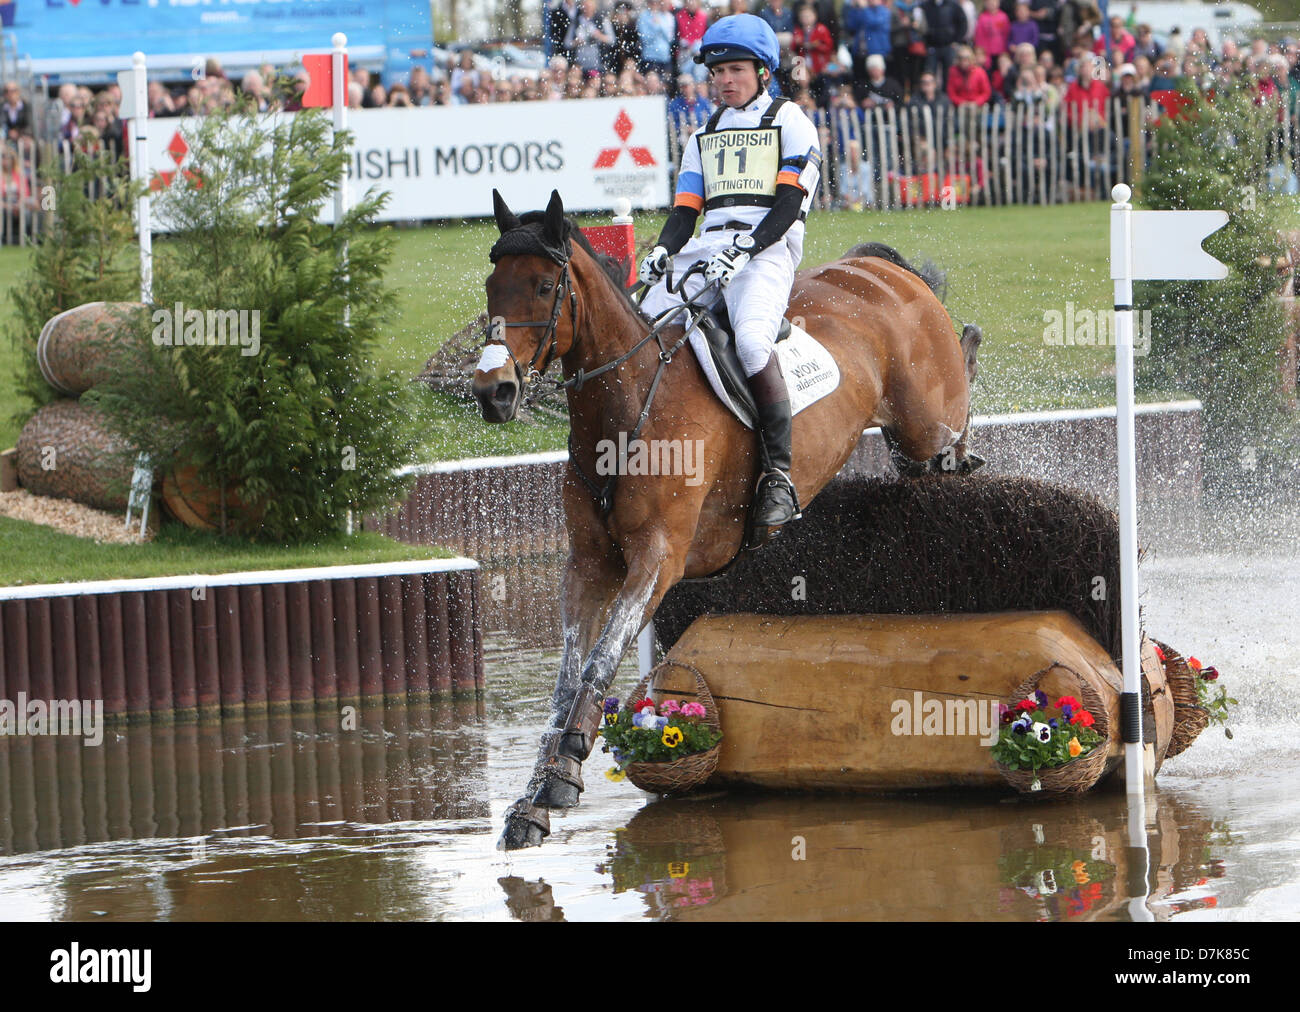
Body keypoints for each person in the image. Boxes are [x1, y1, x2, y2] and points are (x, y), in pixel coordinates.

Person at [638, 14, 822, 535]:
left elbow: (789, 204)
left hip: (766, 252)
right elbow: (684, 211)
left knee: (751, 344)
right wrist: (661, 252)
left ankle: (780, 478)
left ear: (763, 72)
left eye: (735, 70)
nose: (723, 80)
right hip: (705, 247)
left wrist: (745, 248)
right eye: (717, 71)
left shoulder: (792, 123)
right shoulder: (704, 133)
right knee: (643, 326)